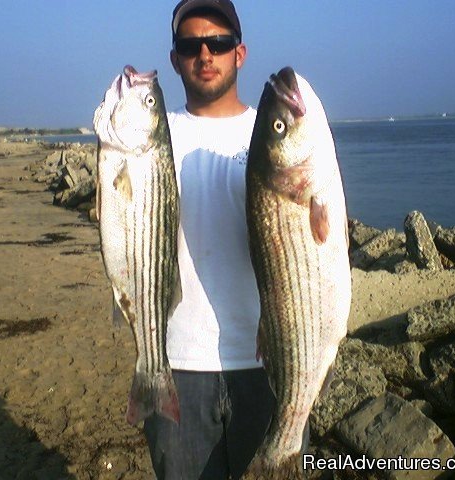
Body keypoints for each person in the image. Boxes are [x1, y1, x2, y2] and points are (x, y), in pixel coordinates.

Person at [143, 1, 275, 478]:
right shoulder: (153, 137)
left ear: (239, 53)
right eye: (190, 45)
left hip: (269, 360)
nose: (205, 53)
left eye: (217, 43)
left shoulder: (272, 135)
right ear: (176, 58)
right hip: (172, 362)